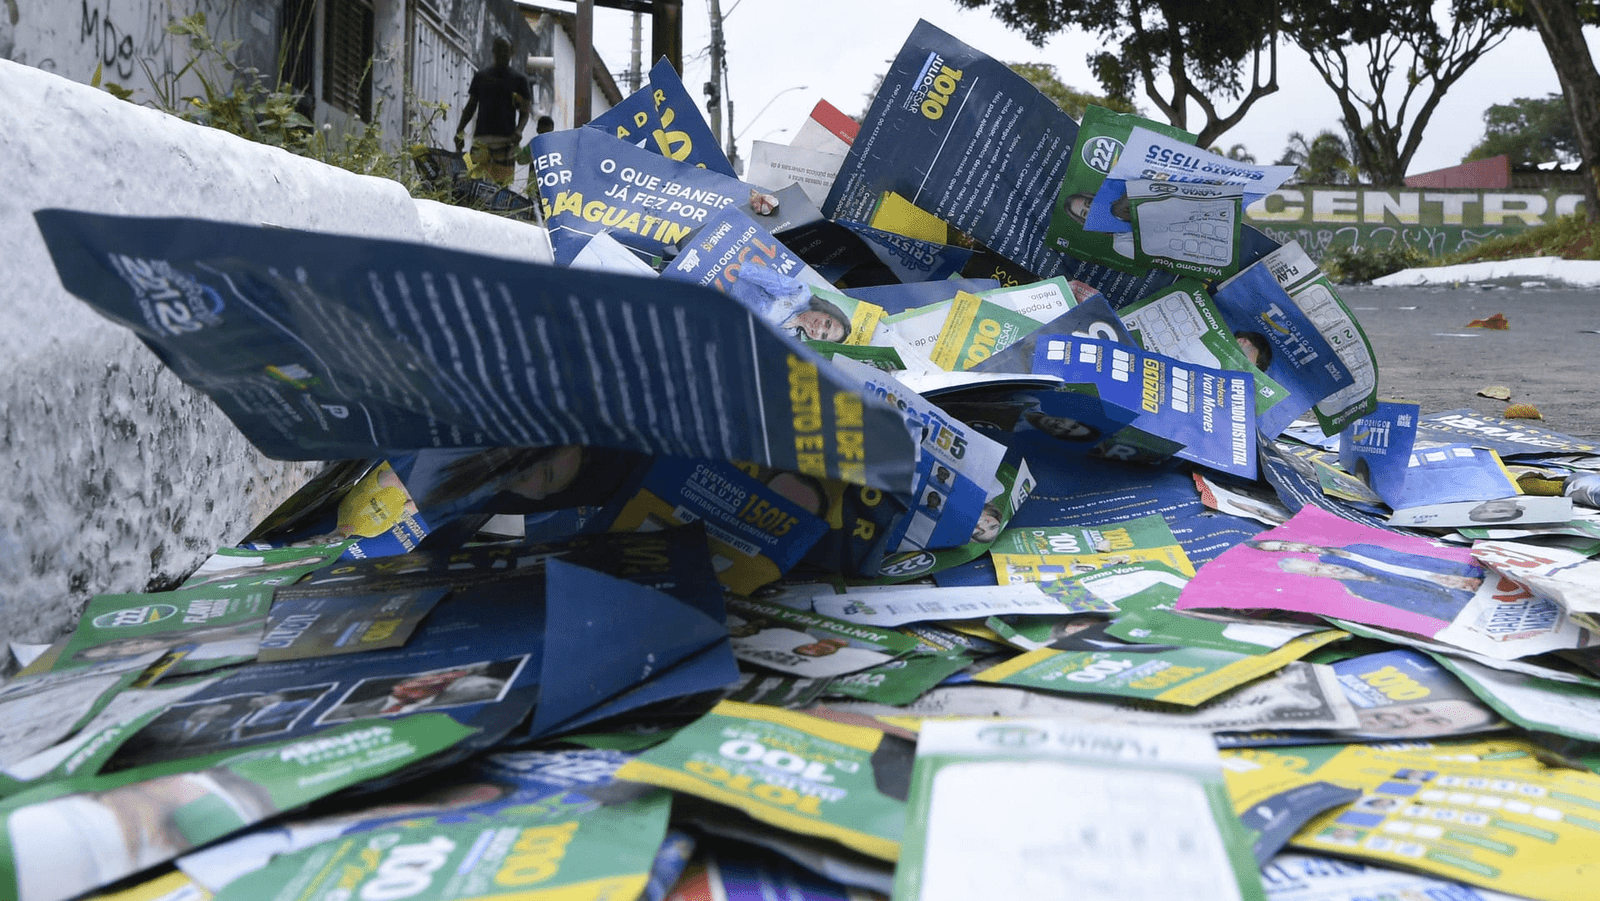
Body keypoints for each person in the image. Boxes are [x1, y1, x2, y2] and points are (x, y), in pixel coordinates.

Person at [454, 37, 531, 185]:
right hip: (482, 140)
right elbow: (471, 106)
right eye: (499, 50)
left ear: (512, 53)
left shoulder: (519, 80)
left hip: (506, 142)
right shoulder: (481, 77)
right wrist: (459, 130)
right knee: (474, 184)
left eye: (506, 51)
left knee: (501, 190)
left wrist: (519, 130)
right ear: (493, 52)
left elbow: (525, 111)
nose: (503, 54)